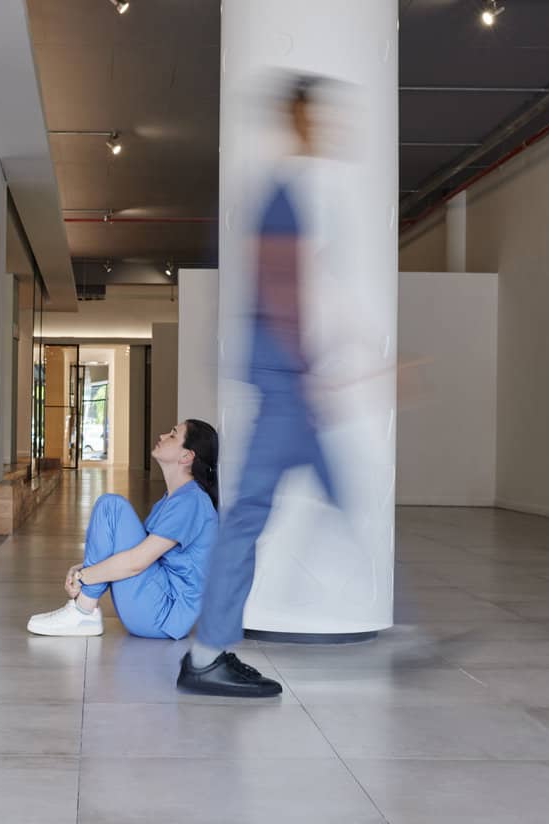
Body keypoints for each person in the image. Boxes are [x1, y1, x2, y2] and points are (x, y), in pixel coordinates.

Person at [178, 74, 352, 698]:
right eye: (320, 116)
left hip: (285, 373)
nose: (329, 128)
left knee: (323, 494)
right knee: (251, 514)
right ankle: (204, 657)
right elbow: (281, 285)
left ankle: (207, 653)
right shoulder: (284, 195)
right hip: (284, 376)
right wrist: (304, 366)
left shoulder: (293, 191)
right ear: (299, 118)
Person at [26, 420, 219, 638]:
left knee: (112, 506)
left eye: (173, 435)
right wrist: (80, 569)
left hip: (163, 614)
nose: (163, 435)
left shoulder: (191, 501)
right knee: (110, 507)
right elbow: (132, 555)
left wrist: (85, 577)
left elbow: (137, 562)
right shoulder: (171, 500)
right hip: (155, 606)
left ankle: (83, 611)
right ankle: (83, 611)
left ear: (187, 457)